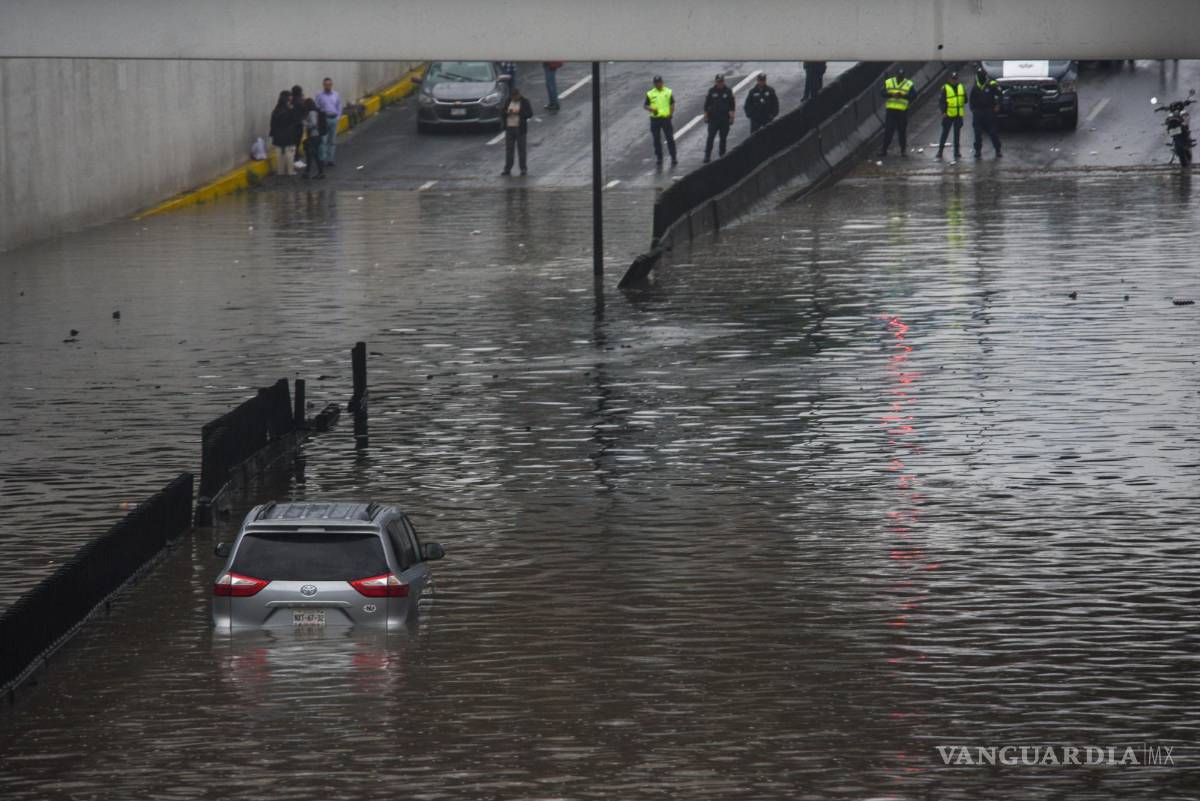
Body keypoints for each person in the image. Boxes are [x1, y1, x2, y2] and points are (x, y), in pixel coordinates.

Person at [880, 66, 915, 157]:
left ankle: (903, 151)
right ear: (896, 75)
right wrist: (891, 94)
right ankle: (884, 150)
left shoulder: (909, 84)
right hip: (891, 111)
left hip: (902, 111)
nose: (900, 77)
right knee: (888, 131)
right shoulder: (889, 82)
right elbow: (882, 93)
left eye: (901, 76)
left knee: (902, 131)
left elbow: (914, 95)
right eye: (899, 76)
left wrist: (902, 96)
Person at [644, 75, 677, 166]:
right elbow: (645, 105)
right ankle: (659, 158)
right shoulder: (650, 93)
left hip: (665, 118)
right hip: (655, 119)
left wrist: (671, 113)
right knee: (656, 140)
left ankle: (673, 157)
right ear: (654, 84)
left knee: (670, 138)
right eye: (656, 83)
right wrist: (651, 108)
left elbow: (672, 103)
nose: (658, 84)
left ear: (662, 82)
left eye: (659, 82)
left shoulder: (668, 91)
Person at [970, 66, 1003, 158]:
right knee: (977, 134)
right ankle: (977, 151)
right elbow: (971, 101)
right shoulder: (975, 87)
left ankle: (998, 150)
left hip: (989, 111)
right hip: (978, 113)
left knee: (993, 133)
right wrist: (974, 111)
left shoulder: (991, 85)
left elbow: (1000, 95)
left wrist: (998, 105)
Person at [501, 86, 534, 176]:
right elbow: (502, 112)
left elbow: (529, 114)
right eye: (512, 97)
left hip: (520, 129)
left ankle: (523, 169)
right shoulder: (508, 101)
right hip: (509, 128)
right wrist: (507, 113)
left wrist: (519, 112)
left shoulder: (524, 101)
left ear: (518, 95)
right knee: (509, 150)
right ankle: (507, 169)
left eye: (515, 97)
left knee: (522, 150)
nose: (514, 98)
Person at [703, 73, 736, 163]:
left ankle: (722, 156)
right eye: (718, 82)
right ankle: (707, 155)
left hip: (724, 119)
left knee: (723, 138)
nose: (720, 83)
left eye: (721, 82)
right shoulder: (711, 91)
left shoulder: (728, 91)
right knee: (710, 137)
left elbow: (732, 105)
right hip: (713, 119)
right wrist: (706, 116)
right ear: (716, 82)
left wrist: (732, 116)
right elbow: (706, 105)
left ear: (723, 82)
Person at [936, 71, 967, 159]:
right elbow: (941, 101)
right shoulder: (945, 88)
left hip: (958, 114)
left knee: (957, 134)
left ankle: (956, 152)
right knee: (945, 133)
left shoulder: (961, 87)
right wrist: (943, 112)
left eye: (955, 79)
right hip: (948, 114)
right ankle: (940, 151)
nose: (954, 81)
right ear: (949, 79)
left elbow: (965, 99)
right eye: (953, 79)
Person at [315, 77, 342, 167]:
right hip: (324, 119)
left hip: (333, 119)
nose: (328, 86)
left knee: (332, 140)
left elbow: (339, 107)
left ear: (331, 85)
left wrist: (337, 118)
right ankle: (322, 158)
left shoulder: (336, 95)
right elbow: (317, 107)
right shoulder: (319, 95)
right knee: (323, 140)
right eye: (326, 85)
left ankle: (330, 159)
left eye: (329, 85)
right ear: (323, 85)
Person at [269, 90, 298, 176]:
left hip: (278, 136)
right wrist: (292, 109)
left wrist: (273, 134)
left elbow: (272, 124)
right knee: (289, 154)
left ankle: (280, 171)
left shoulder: (275, 111)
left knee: (279, 154)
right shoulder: (289, 110)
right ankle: (290, 171)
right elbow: (294, 120)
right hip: (288, 135)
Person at [301, 98, 325, 179]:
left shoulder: (312, 113)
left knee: (314, 154)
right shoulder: (314, 112)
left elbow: (313, 124)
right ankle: (308, 172)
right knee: (310, 154)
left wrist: (305, 123)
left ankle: (320, 172)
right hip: (314, 136)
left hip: (313, 136)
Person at [290, 85, 306, 169]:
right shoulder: (300, 101)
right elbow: (305, 110)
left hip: (291, 126)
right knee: (297, 143)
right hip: (298, 125)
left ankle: (294, 160)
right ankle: (295, 160)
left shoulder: (291, 102)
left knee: (293, 144)